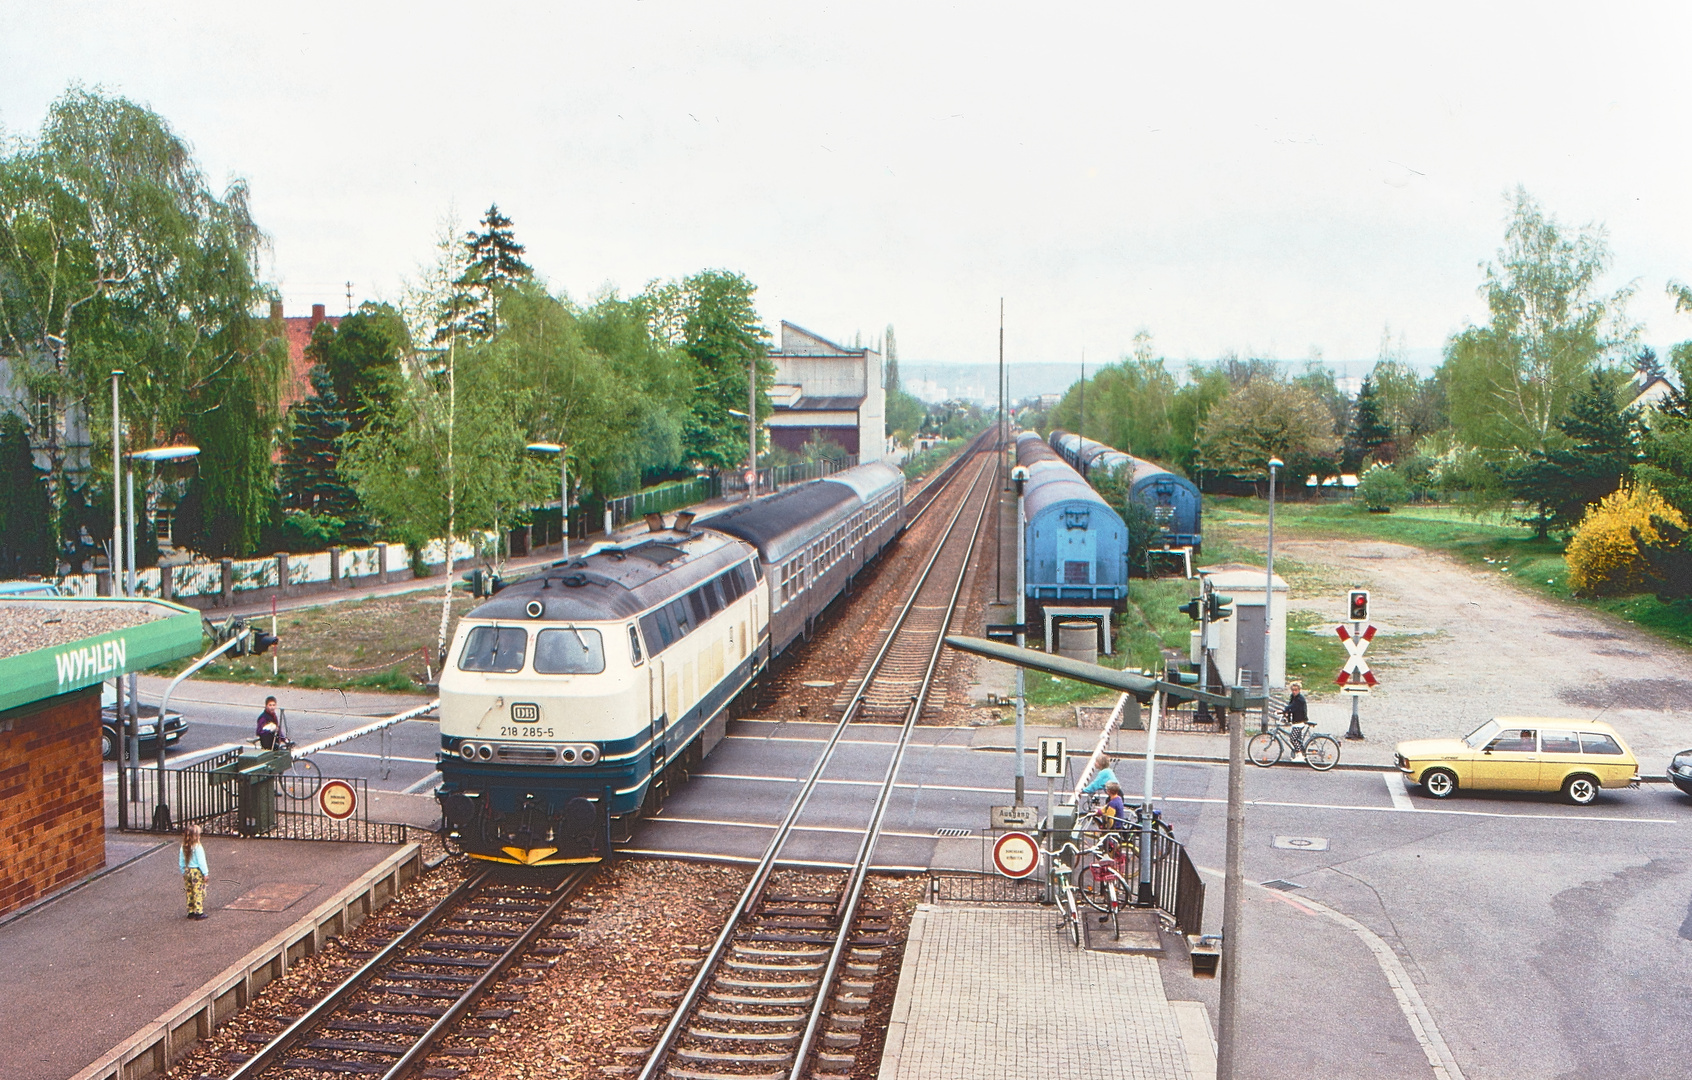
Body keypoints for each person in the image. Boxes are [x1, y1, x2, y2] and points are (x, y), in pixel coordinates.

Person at [180, 824, 208, 920]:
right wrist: (205, 873)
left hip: (187, 870)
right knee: (198, 891)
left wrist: (183, 871)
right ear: (196, 836)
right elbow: (201, 861)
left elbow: (181, 861)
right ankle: (199, 912)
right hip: (196, 871)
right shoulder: (198, 847)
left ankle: (190, 910)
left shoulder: (184, 846)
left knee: (189, 891)